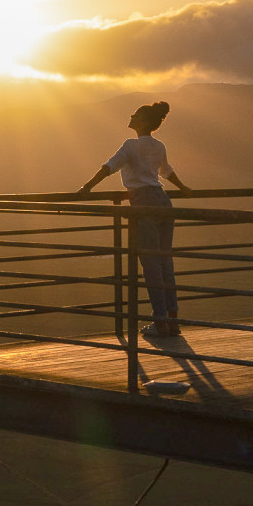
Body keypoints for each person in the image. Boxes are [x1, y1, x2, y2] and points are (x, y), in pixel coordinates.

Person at [77, 101, 191, 338]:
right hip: (163, 201)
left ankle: (160, 324)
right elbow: (166, 172)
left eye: (136, 115)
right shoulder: (158, 145)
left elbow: (109, 167)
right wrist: (184, 188)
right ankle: (173, 321)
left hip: (143, 204)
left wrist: (87, 186)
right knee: (165, 262)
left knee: (150, 264)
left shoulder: (130, 146)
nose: (131, 116)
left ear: (144, 122)